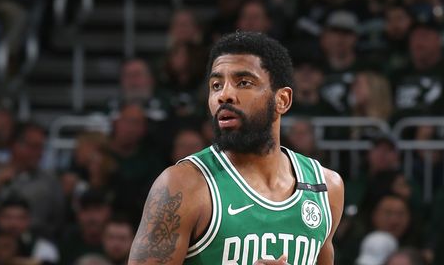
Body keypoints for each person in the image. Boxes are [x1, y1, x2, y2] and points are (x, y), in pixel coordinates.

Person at [127, 31, 344, 264]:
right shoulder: (184, 185)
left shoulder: (326, 188)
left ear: (282, 100)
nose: (225, 95)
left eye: (244, 83)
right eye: (216, 85)